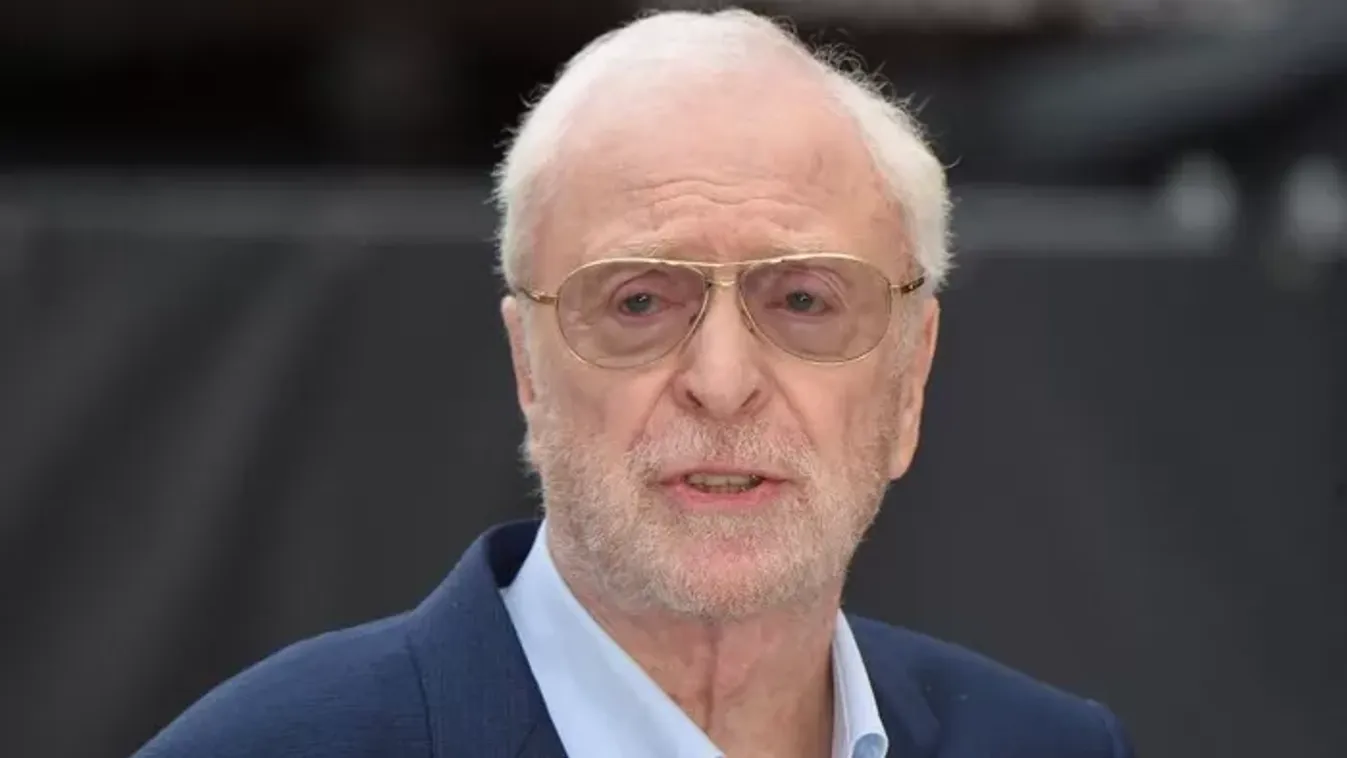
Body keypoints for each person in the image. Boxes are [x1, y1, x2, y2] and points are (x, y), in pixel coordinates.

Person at [134, 8, 1134, 758]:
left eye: (803, 300)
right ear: (528, 368)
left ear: (910, 378)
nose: (723, 382)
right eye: (640, 302)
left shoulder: (1049, 747)